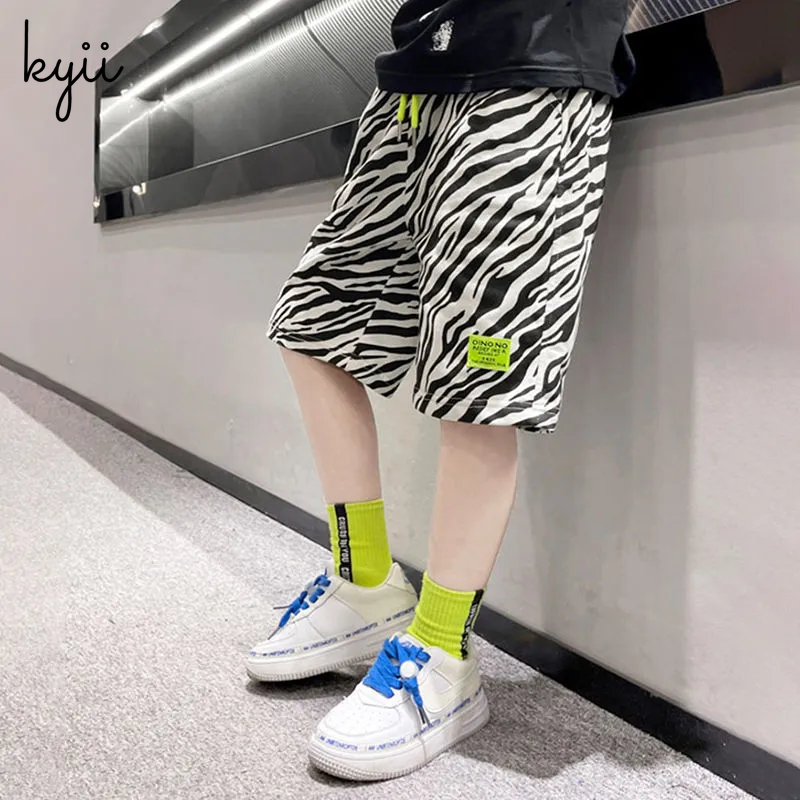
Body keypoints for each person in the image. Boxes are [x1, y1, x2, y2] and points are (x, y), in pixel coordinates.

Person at [248, 0, 635, 781]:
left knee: (478, 384)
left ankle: (443, 652)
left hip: (528, 79)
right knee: (311, 327)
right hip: (412, 82)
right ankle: (365, 584)